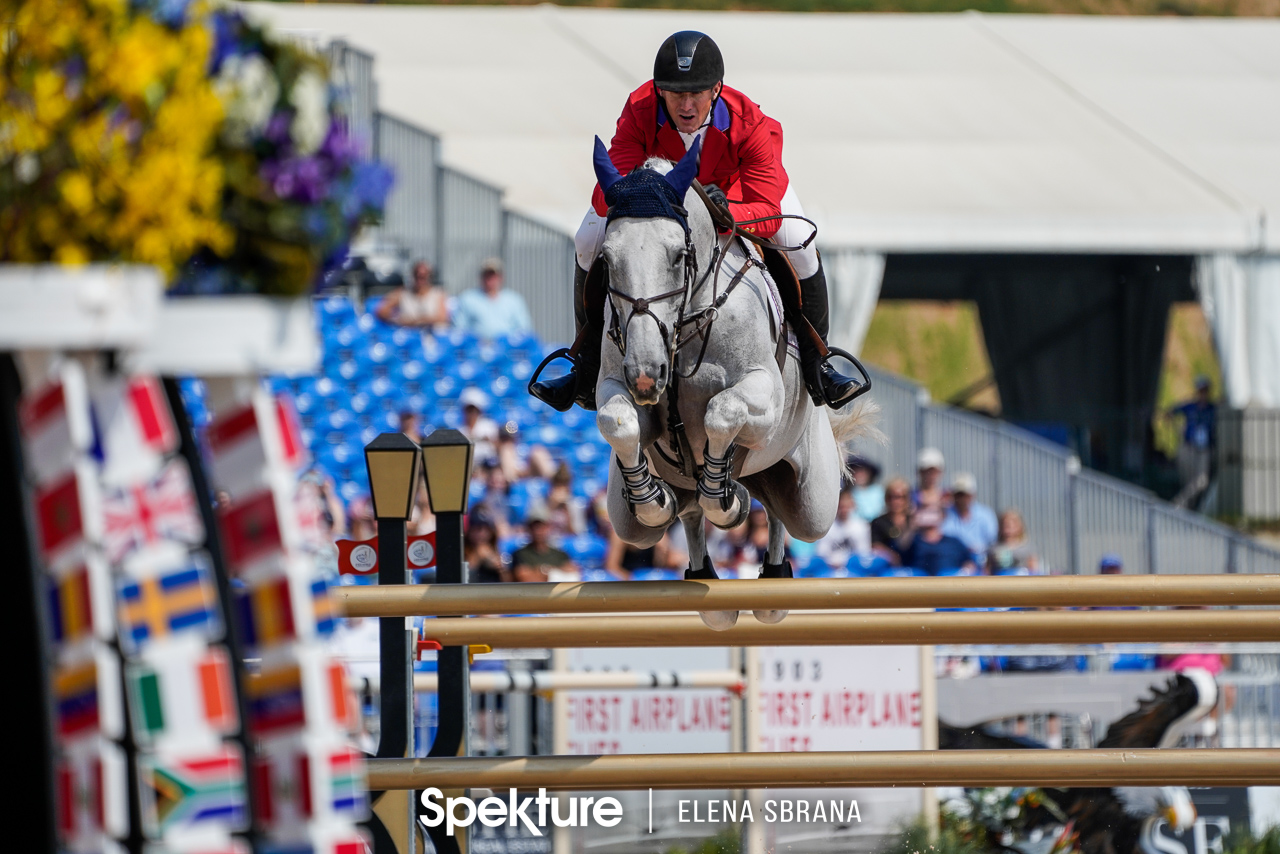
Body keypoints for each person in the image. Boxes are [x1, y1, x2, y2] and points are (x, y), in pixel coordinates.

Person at [529, 31, 863, 413]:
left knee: (801, 242)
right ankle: (585, 366)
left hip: (739, 196)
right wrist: (645, 198)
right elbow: (607, 192)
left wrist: (726, 214)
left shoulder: (748, 122)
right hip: (660, 201)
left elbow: (767, 209)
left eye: (696, 95)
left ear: (716, 89)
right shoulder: (640, 109)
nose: (686, 106)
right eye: (675, 95)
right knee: (587, 239)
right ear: (659, 90)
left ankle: (819, 361)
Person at [1166, 375, 1217, 510]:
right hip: (1189, 447)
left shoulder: (1212, 409)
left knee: (1201, 481)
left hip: (1205, 450)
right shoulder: (1190, 407)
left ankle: (1180, 502)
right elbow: (1170, 412)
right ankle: (1189, 510)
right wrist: (1179, 430)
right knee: (1189, 480)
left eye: (1205, 391)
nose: (1203, 394)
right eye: (1201, 391)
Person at [452, 258, 532, 339]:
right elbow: (459, 329)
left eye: (493, 276)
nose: (490, 279)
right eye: (487, 275)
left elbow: (523, 329)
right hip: (476, 348)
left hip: (508, 349)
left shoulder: (514, 300)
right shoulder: (468, 298)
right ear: (481, 277)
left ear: (501, 277)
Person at [897, 506, 974, 576]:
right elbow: (900, 551)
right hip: (919, 585)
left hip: (950, 585)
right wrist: (912, 525)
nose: (928, 516)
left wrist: (965, 571)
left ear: (942, 516)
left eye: (933, 512)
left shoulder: (953, 541)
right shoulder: (913, 540)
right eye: (925, 512)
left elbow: (970, 562)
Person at [941, 472, 998, 566]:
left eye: (966, 494)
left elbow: (992, 543)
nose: (963, 498)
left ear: (973, 494)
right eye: (959, 494)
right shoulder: (945, 515)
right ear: (953, 495)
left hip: (982, 563)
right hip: (955, 562)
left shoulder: (986, 515)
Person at [511, 504, 579, 582]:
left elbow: (573, 574)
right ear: (529, 529)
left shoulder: (559, 554)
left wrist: (543, 571)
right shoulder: (520, 554)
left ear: (548, 527)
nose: (538, 531)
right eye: (534, 527)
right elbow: (524, 577)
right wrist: (556, 573)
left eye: (542, 527)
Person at [375, 260, 450, 330]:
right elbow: (382, 311)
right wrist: (397, 320)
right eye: (417, 275)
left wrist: (419, 321)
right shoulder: (403, 293)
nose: (420, 280)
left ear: (429, 277)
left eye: (423, 276)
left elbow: (442, 318)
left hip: (433, 336)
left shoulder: (438, 293)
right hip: (409, 335)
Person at [814, 487, 871, 570]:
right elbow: (821, 553)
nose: (844, 510)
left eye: (847, 507)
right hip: (830, 568)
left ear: (853, 505)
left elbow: (864, 553)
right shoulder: (826, 527)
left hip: (855, 568)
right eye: (841, 507)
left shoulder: (861, 526)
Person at [871, 477, 914, 562]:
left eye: (899, 497)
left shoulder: (913, 521)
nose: (895, 501)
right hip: (887, 566)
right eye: (891, 497)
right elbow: (876, 545)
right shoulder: (878, 522)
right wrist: (891, 556)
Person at [987, 509, 1040, 574]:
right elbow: (987, 569)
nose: (1008, 529)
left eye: (1011, 525)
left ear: (1019, 527)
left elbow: (1034, 569)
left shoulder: (1027, 548)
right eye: (1005, 525)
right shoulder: (994, 548)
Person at [464, 513, 508, 584]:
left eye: (487, 529)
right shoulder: (461, 552)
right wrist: (477, 557)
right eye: (478, 529)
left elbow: (508, 583)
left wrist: (500, 569)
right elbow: (462, 580)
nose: (482, 534)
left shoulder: (496, 551)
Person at [458, 387, 499, 462]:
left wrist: (488, 440)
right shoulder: (460, 430)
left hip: (487, 465)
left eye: (474, 410)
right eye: (469, 410)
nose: (472, 413)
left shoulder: (489, 426)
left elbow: (498, 446)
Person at [848, 456, 884, 522]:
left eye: (862, 471)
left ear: (869, 474)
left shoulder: (878, 491)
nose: (859, 475)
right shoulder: (848, 493)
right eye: (856, 471)